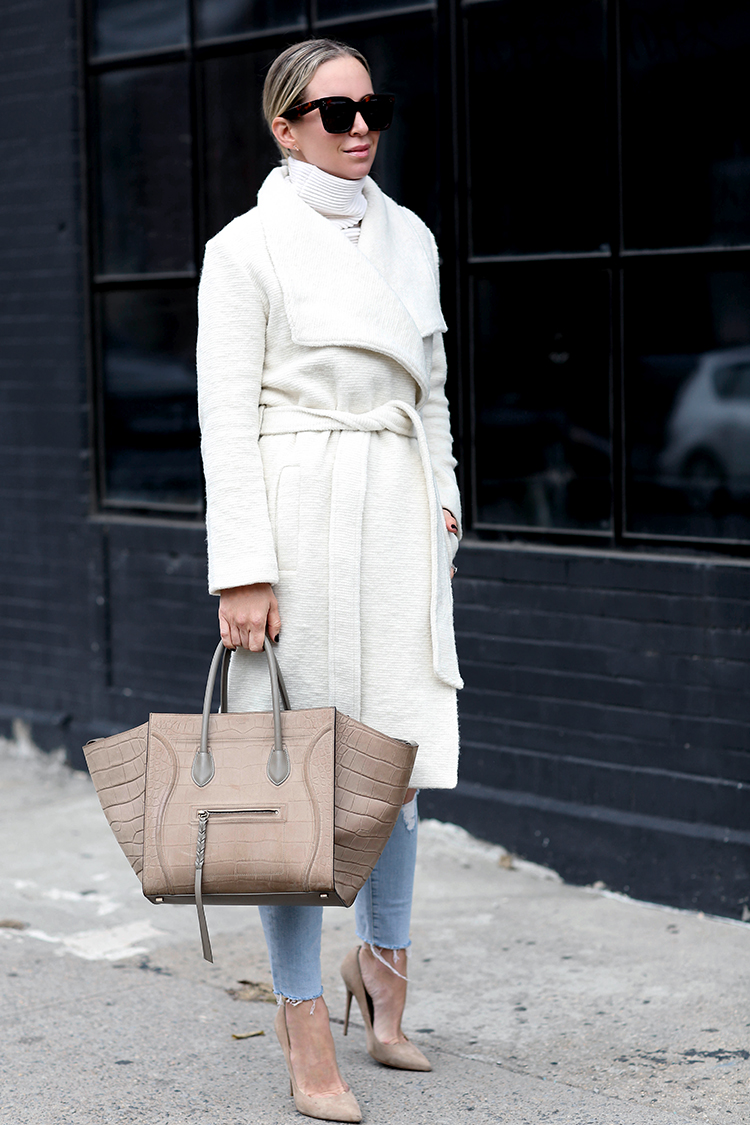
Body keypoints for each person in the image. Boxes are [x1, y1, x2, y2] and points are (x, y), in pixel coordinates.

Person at [196, 37, 462, 1123]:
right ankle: (307, 1027)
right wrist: (243, 570)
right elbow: (223, 416)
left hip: (398, 512)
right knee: (294, 780)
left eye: (373, 109)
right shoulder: (244, 249)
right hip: (297, 515)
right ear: (285, 124)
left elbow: (433, 384)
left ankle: (384, 990)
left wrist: (444, 498)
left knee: (394, 758)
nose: (360, 129)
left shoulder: (411, 238)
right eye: (334, 112)